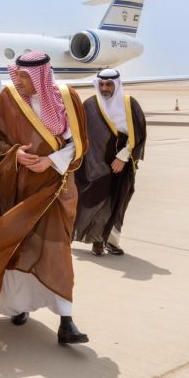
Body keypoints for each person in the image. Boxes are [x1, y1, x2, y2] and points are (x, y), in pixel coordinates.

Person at [0, 51, 90, 345]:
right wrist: (14, 153)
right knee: (16, 249)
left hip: (55, 189)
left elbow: (80, 143)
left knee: (56, 250)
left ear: (40, 76)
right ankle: (19, 306)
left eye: (24, 76)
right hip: (16, 189)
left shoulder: (67, 97)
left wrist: (51, 161)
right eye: (17, 74)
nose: (18, 81)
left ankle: (66, 320)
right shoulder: (9, 98)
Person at [73, 69, 146, 255]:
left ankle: (112, 242)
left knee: (119, 201)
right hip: (96, 164)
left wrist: (123, 156)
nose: (104, 88)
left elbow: (139, 133)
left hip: (121, 163)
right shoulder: (90, 104)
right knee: (96, 201)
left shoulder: (129, 104)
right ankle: (97, 240)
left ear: (117, 84)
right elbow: (81, 134)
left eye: (109, 84)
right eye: (101, 84)